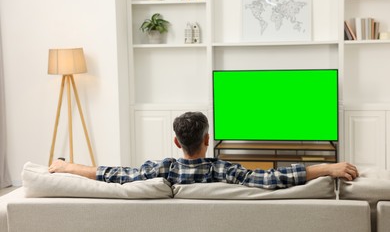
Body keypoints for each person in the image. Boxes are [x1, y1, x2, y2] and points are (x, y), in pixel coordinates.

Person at [49, 111, 358, 189]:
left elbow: (114, 175)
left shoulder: (161, 170)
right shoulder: (223, 170)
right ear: (208, 140)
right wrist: (326, 168)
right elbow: (272, 178)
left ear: (176, 142)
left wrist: (67, 167)